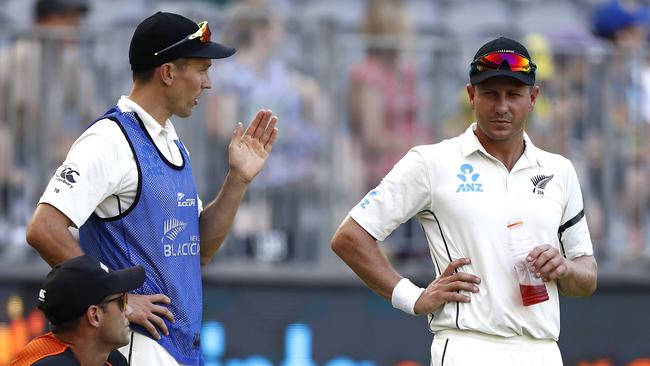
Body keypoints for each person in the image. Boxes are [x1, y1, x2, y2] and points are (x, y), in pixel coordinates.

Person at [25, 11, 278, 366]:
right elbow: (43, 228)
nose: (208, 83)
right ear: (169, 72)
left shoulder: (172, 143)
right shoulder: (109, 140)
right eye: (202, 69)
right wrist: (119, 301)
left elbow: (199, 251)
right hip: (137, 347)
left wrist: (238, 180)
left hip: (179, 348)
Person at [330, 37, 597, 365]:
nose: (502, 106)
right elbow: (349, 237)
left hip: (542, 350)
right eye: (490, 94)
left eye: (513, 94)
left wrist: (565, 267)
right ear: (471, 96)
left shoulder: (560, 171)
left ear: (533, 98)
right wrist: (413, 298)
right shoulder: (432, 162)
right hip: (467, 348)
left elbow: (586, 276)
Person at [11, 255, 145, 366]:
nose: (130, 311)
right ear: (94, 315)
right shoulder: (50, 363)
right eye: (122, 302)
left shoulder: (111, 360)